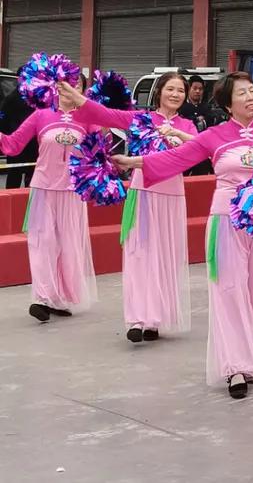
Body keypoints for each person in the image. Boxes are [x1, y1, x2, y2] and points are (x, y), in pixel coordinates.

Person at [113, 72, 253, 400]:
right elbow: (174, 159)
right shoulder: (214, 136)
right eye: (243, 93)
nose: (251, 97)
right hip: (226, 220)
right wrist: (132, 161)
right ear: (228, 104)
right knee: (229, 289)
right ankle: (236, 366)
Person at [59, 74, 197, 343]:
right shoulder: (140, 119)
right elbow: (105, 114)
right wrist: (77, 98)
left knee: (165, 257)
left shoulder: (188, 125)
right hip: (142, 195)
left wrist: (178, 134)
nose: (175, 94)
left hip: (172, 197)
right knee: (139, 255)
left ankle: (155, 317)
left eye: (181, 90)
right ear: (158, 92)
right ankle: (137, 319)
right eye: (170, 88)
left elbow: (201, 150)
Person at [0, 73, 97, 322]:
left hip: (73, 192)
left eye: (77, 84)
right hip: (43, 188)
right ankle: (41, 298)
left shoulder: (89, 118)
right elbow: (13, 145)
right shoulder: (41, 115)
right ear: (56, 86)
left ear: (83, 90)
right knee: (42, 243)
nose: (71, 87)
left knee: (69, 245)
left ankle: (60, 298)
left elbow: (100, 152)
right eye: (67, 82)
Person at [0, 76, 38, 188]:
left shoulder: (35, 98)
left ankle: (29, 200)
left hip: (32, 143)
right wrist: (6, 137)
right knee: (15, 173)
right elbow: (2, 117)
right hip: (15, 142)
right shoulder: (12, 98)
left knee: (30, 174)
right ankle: (10, 200)